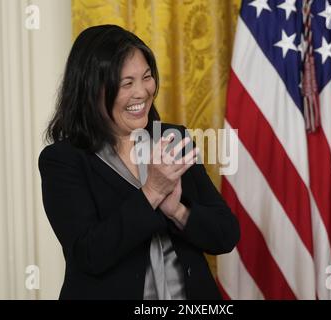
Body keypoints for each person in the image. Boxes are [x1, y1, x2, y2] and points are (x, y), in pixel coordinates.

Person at [38, 24, 240, 300]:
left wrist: (177, 211)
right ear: (91, 90)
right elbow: (88, 255)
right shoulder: (62, 160)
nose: (142, 92)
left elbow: (225, 235)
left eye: (146, 77)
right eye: (126, 83)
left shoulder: (172, 139)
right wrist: (152, 193)